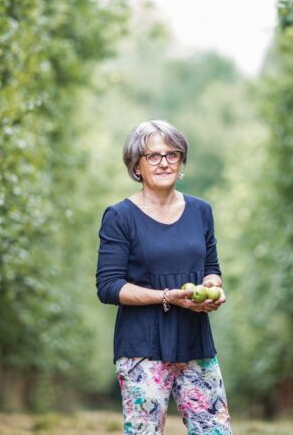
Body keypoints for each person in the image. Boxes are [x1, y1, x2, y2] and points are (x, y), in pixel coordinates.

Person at [96, 120, 232, 434]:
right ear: (136, 165)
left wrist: (213, 289)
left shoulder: (201, 211)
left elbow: (212, 267)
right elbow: (108, 286)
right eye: (153, 156)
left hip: (195, 342)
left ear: (182, 161)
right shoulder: (120, 216)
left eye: (172, 154)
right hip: (142, 346)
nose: (164, 162)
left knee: (215, 430)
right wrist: (167, 296)